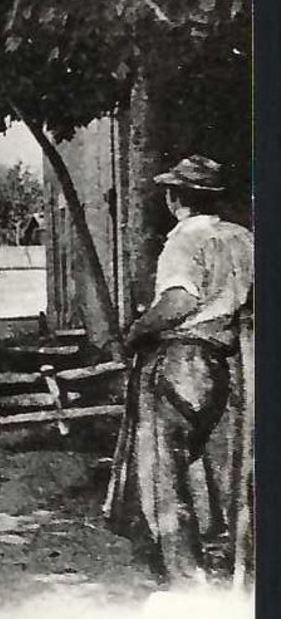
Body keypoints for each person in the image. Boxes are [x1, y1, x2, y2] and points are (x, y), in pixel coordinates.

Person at [103, 155, 254, 584]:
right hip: (230, 360)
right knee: (232, 472)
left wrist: (136, 330)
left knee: (163, 471)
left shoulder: (185, 240)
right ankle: (241, 563)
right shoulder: (243, 238)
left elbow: (178, 302)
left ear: (175, 198)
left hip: (181, 359)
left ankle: (186, 577)